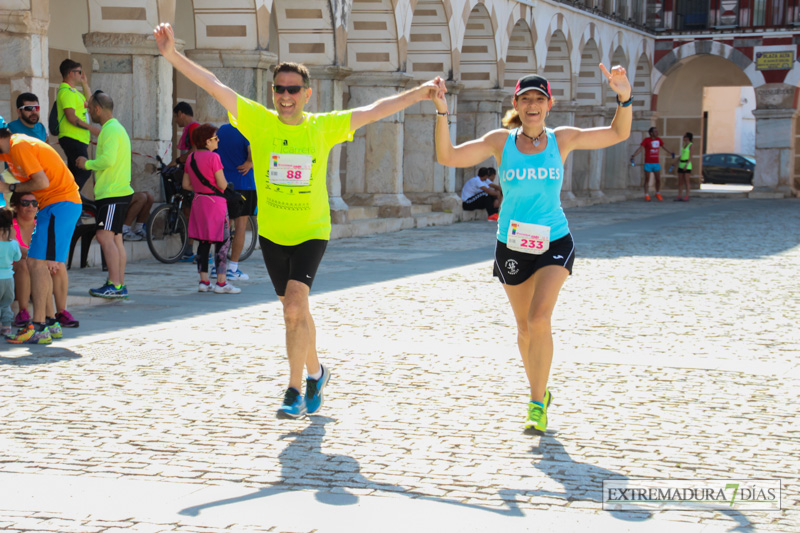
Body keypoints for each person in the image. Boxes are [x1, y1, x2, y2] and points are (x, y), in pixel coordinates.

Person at [155, 22, 445, 419]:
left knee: (294, 307)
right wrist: (172, 55)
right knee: (295, 312)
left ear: (307, 94)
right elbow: (214, 84)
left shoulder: (322, 128)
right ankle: (316, 373)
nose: (286, 96)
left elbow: (374, 111)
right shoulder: (258, 121)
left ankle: (293, 389)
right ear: (273, 92)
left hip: (311, 232)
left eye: (293, 89)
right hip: (274, 233)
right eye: (280, 89)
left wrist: (420, 92)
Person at [432, 68, 632, 434]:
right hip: (512, 243)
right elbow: (447, 156)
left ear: (549, 105)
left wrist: (624, 96)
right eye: (526, 99)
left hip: (554, 240)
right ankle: (539, 388)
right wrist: (442, 111)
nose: (533, 105)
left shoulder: (563, 139)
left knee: (540, 319)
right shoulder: (500, 142)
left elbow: (618, 133)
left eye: (540, 99)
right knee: (524, 329)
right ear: (517, 105)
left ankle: (536, 402)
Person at [0, 123, 82, 344]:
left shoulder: (18, 147)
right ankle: (48, 322)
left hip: (60, 204)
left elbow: (41, 181)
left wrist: (10, 189)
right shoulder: (11, 151)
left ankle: (38, 327)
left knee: (37, 263)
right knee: (37, 263)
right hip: (52, 206)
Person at [76, 91, 133, 299]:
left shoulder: (109, 130)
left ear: (98, 109)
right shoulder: (117, 128)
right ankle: (119, 284)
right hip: (117, 193)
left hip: (111, 194)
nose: (88, 112)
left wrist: (87, 164)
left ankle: (115, 284)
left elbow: (107, 160)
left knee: (104, 236)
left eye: (89, 108)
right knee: (116, 239)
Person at [7, 191, 79, 329]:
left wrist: (50, 259)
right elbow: (16, 249)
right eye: (25, 203)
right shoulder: (11, 225)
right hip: (16, 269)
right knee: (25, 264)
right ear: (15, 206)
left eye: (35, 203)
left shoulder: (41, 223)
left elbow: (54, 247)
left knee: (59, 265)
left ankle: (61, 312)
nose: (31, 207)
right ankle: (23, 311)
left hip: (37, 267)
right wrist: (41, 258)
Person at [183, 123, 240, 295]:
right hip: (216, 204)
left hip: (199, 202)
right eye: (215, 138)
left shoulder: (190, 158)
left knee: (203, 242)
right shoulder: (214, 158)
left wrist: (201, 189)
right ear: (207, 141)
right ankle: (221, 282)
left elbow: (186, 184)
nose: (218, 140)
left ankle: (203, 280)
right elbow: (222, 184)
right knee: (222, 242)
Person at [215, 123, 254, 280]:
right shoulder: (247, 129)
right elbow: (253, 151)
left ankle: (217, 267)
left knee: (223, 226)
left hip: (224, 183)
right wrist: (250, 163)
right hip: (244, 183)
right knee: (240, 228)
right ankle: (232, 268)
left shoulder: (222, 130)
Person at [56, 59, 101, 191]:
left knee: (74, 174)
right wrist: (91, 128)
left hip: (79, 138)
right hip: (72, 137)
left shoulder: (74, 92)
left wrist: (85, 83)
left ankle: (71, 199)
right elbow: (71, 117)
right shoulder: (66, 92)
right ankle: (68, 197)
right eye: (79, 72)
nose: (82, 75)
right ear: (71, 73)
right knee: (84, 171)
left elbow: (91, 102)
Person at [172, 102, 199, 262]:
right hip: (190, 174)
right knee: (188, 212)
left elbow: (195, 150)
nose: (176, 120)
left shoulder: (193, 127)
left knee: (193, 213)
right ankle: (188, 249)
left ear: (181, 113)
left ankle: (197, 250)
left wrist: (178, 160)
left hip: (194, 176)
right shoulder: (189, 129)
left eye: (176, 116)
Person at [630, 126, 674, 202]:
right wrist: (634, 155)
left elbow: (664, 146)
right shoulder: (646, 140)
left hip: (656, 163)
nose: (657, 133)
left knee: (658, 179)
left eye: (657, 131)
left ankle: (657, 193)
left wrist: (670, 152)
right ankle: (646, 194)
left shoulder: (658, 140)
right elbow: (640, 148)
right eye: (655, 132)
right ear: (651, 133)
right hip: (648, 163)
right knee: (647, 179)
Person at [0, 208, 22, 337]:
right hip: (8, 278)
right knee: (6, 304)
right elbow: (17, 258)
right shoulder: (13, 244)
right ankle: (7, 327)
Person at [676, 132, 693, 202]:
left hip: (687, 164)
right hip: (681, 164)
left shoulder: (691, 145)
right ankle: (679, 195)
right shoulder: (684, 145)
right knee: (680, 181)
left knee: (686, 181)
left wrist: (686, 165)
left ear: (688, 138)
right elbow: (682, 155)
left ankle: (687, 195)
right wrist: (676, 161)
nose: (683, 138)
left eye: (685, 137)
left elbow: (690, 156)